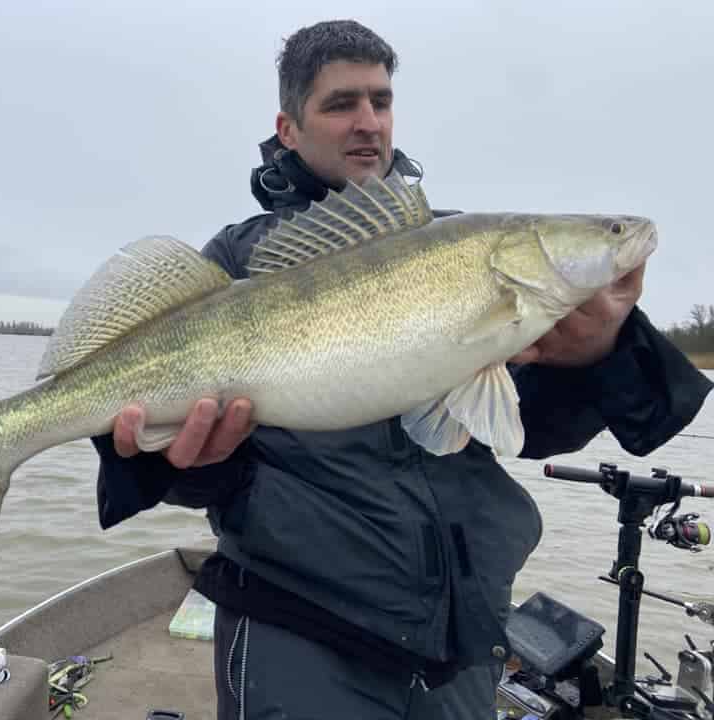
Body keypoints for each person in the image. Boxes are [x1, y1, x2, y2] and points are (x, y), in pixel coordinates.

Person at [90, 19, 713, 719]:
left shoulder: (457, 249)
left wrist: (598, 351)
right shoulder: (235, 266)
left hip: (460, 640)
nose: (367, 123)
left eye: (381, 102)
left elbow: (527, 430)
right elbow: (167, 461)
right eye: (340, 104)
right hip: (300, 632)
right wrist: (199, 465)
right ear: (288, 127)